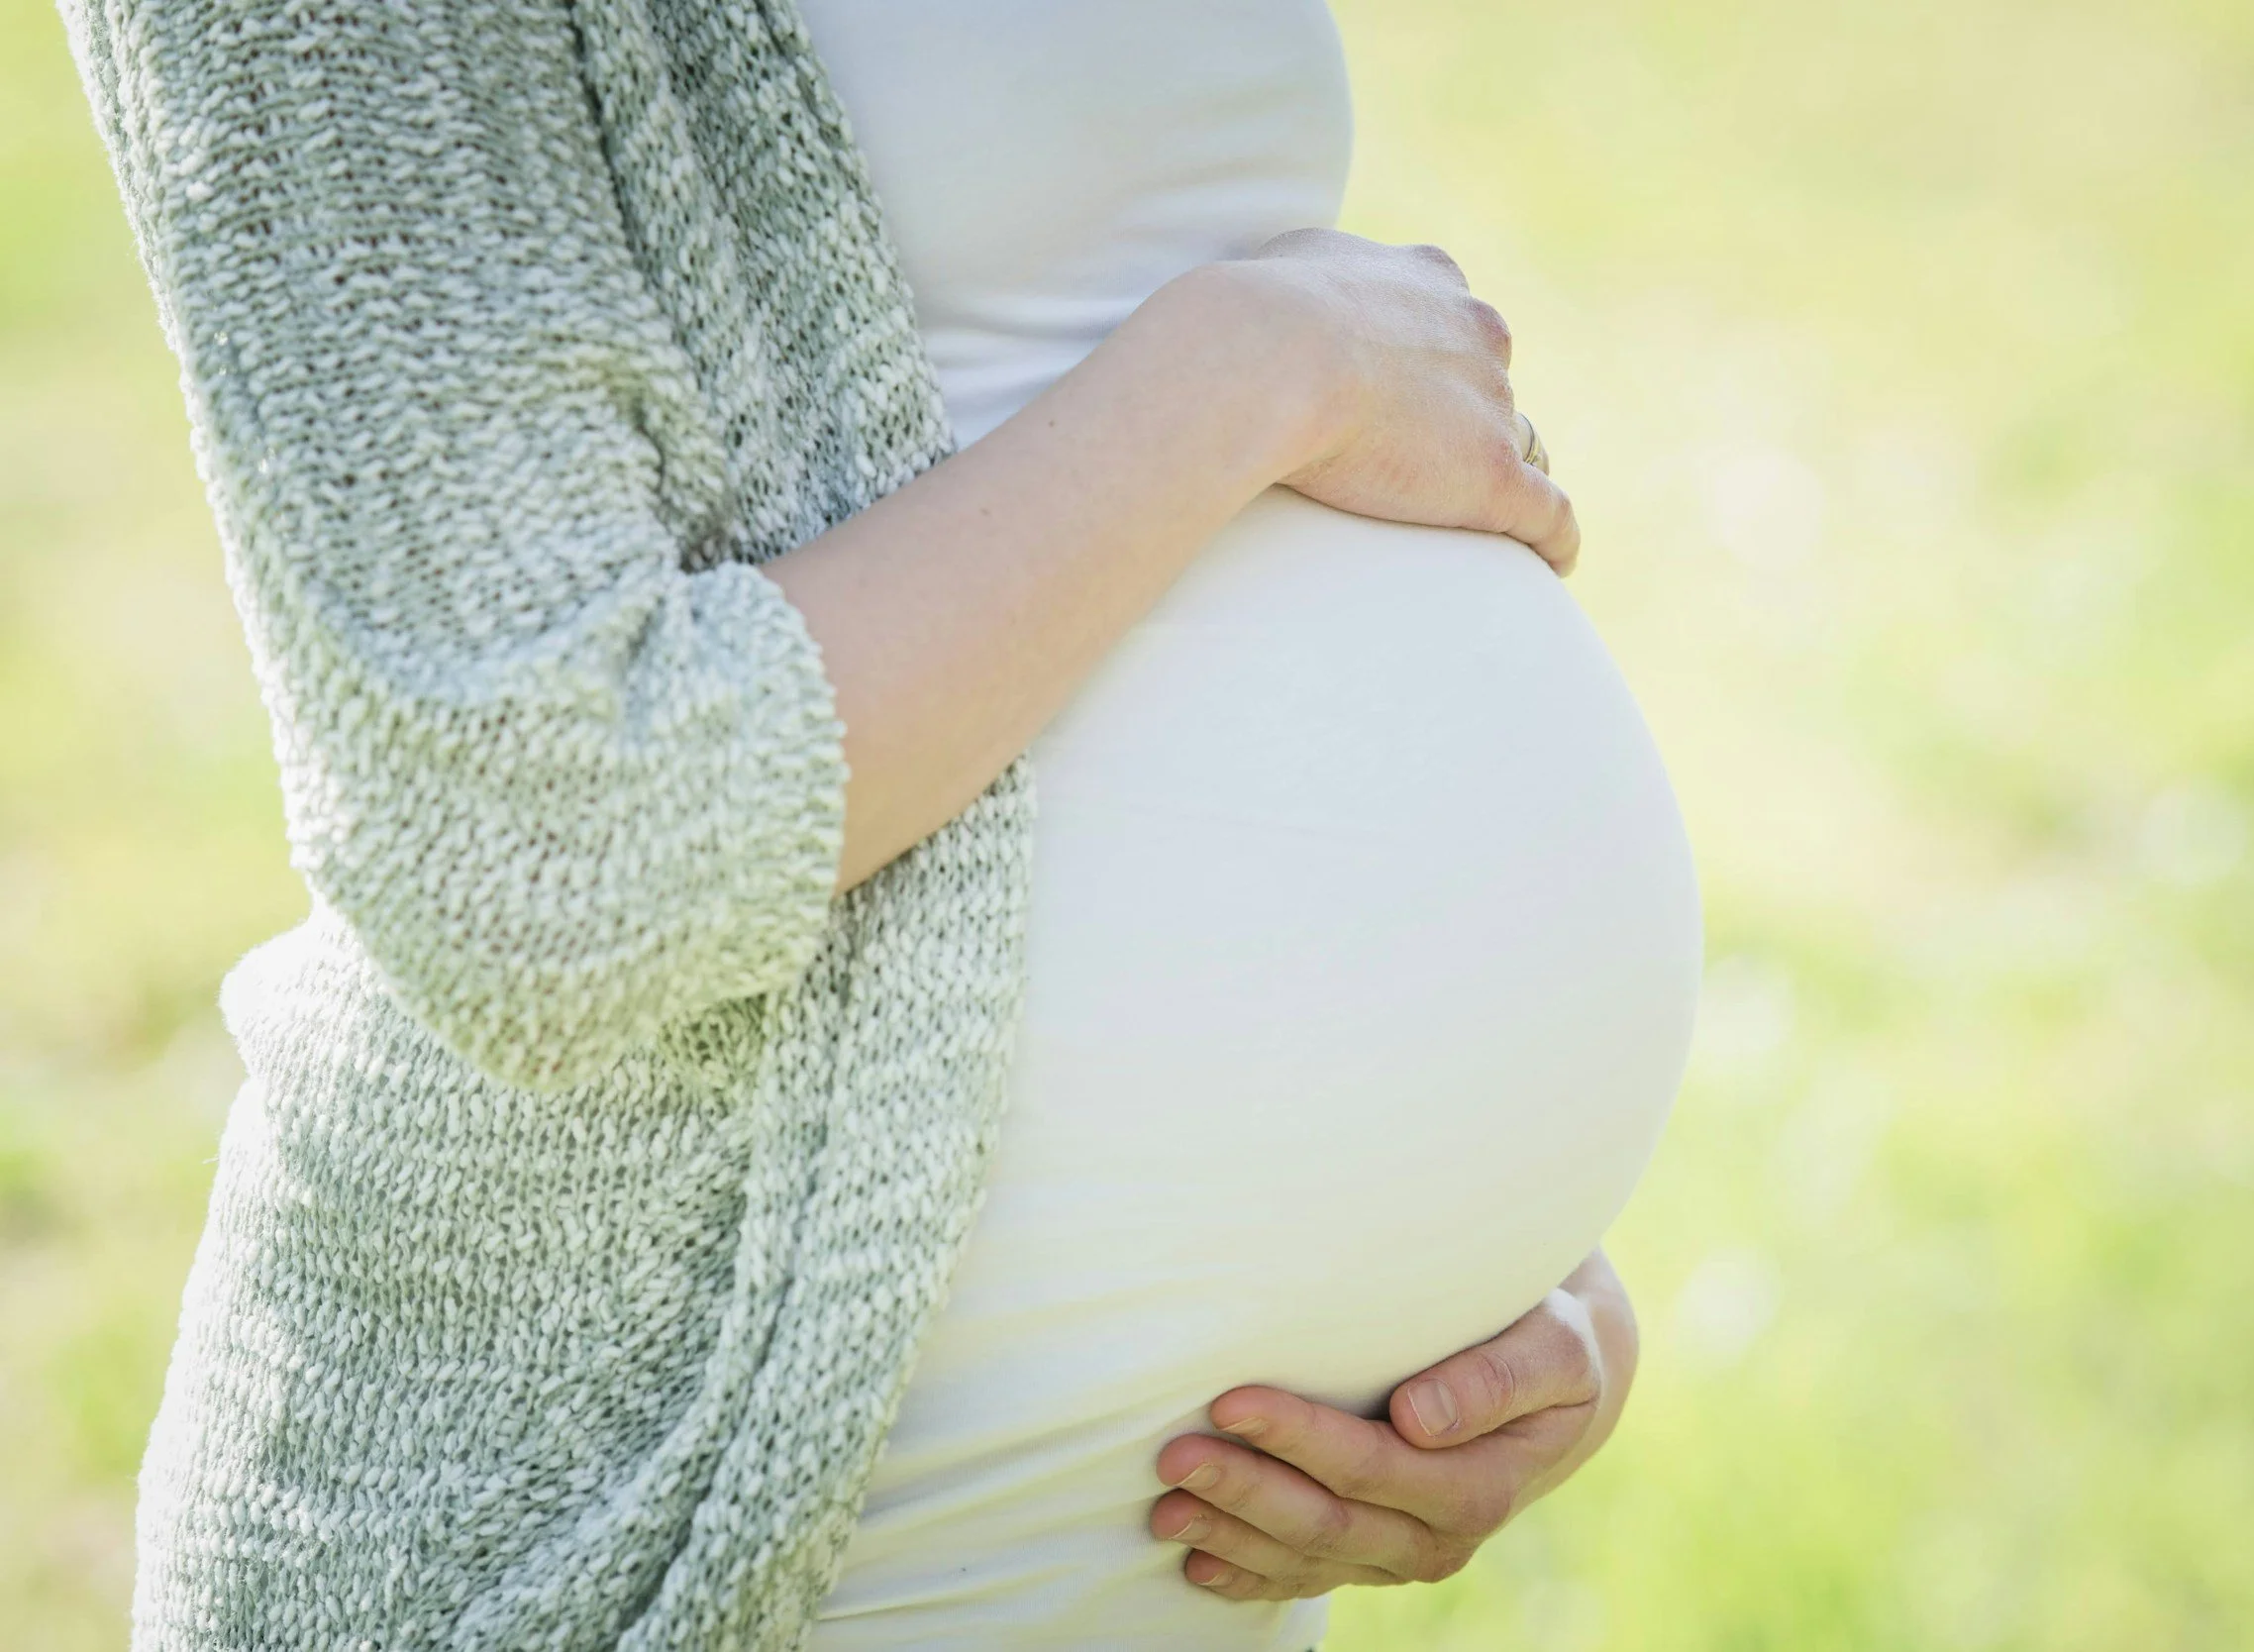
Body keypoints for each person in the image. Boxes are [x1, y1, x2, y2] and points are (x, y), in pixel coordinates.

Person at [62, 0, 1699, 1646]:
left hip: (1173, 1567)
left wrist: (1474, 1279)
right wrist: (1266, 368)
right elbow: (544, 850)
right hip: (663, 1524)